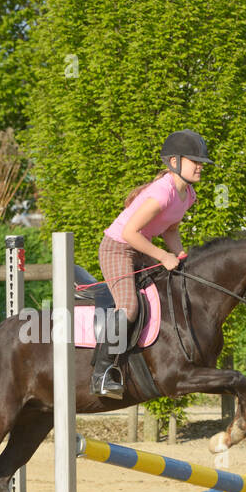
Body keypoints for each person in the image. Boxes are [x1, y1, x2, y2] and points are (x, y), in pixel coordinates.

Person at [92, 130, 211, 397]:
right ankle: (102, 374)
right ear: (174, 162)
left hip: (140, 248)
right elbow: (128, 234)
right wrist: (163, 256)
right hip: (118, 249)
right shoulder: (162, 193)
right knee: (130, 307)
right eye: (195, 160)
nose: (201, 165)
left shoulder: (187, 194)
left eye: (201, 161)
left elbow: (170, 230)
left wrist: (180, 256)